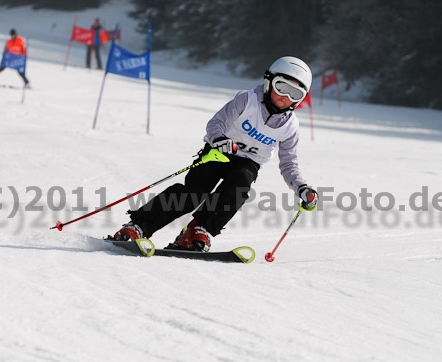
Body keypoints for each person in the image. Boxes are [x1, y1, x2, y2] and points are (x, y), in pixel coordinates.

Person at [111, 56, 319, 252]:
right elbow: (216, 123)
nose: (285, 98)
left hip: (248, 163)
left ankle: (196, 231)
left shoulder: (290, 126)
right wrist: (219, 140)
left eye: (295, 94)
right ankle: (138, 226)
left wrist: (302, 188)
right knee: (194, 192)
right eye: (281, 87)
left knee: (239, 186)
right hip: (219, 151)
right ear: (268, 82)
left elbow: (289, 164)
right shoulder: (247, 101)